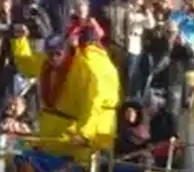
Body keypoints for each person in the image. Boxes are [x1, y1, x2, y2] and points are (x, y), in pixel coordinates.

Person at [7, 23, 120, 163]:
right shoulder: (46, 63)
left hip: (71, 134)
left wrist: (84, 134)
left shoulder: (84, 66)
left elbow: (93, 103)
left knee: (80, 171)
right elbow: (27, 64)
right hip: (50, 131)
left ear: (66, 50)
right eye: (50, 54)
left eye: (58, 53)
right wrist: (19, 41)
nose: (54, 57)